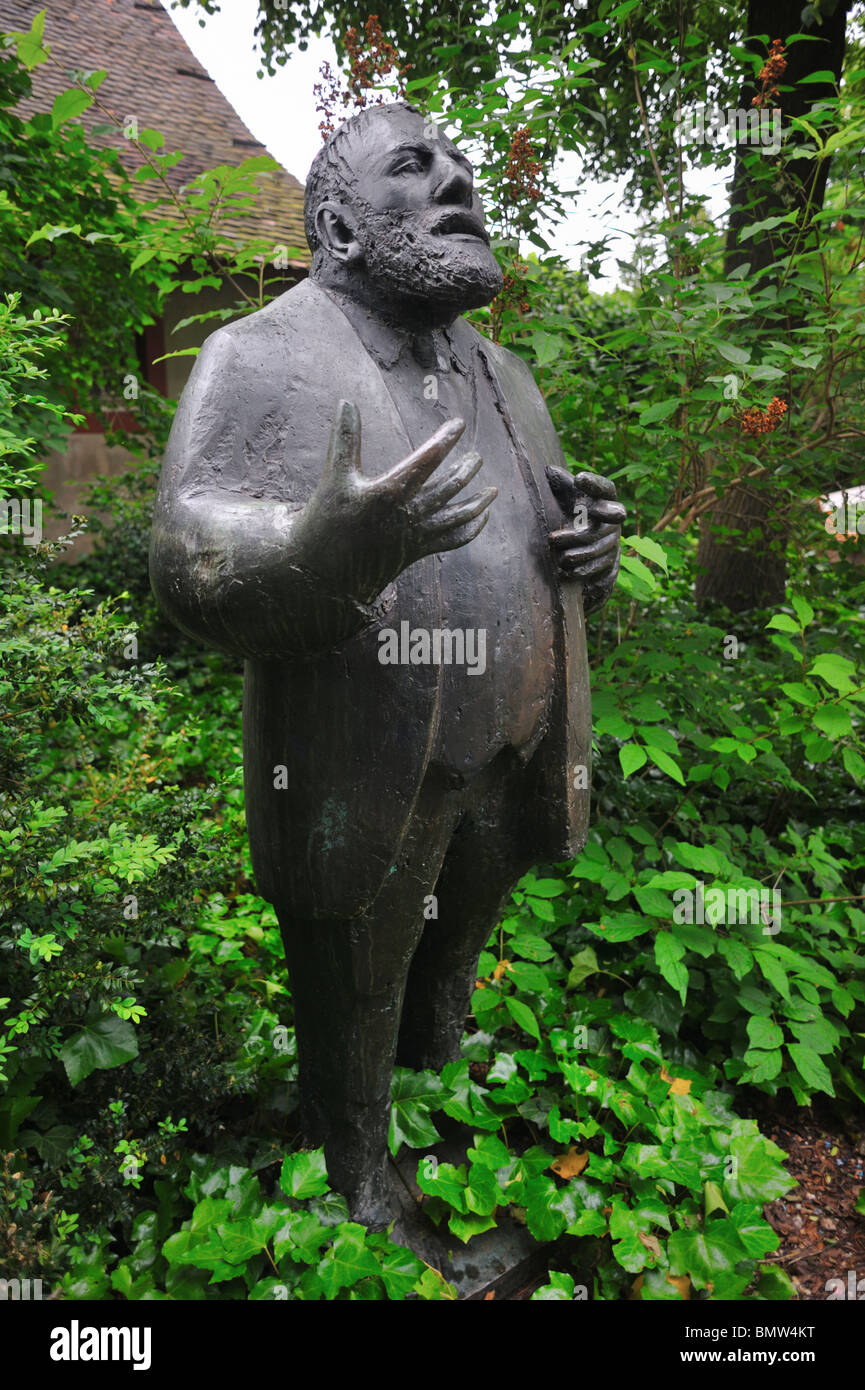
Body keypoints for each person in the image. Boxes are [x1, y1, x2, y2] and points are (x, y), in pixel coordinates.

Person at [150, 101, 624, 1228]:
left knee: (453, 946)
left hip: (511, 741)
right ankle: (355, 1172)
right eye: (416, 167)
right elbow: (185, 554)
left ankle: (437, 1100)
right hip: (365, 758)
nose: (459, 181)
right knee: (357, 969)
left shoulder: (508, 377)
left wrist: (592, 549)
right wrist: (321, 550)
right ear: (342, 228)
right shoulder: (258, 356)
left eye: (461, 161)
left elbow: (550, 540)